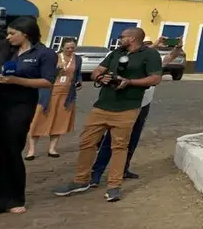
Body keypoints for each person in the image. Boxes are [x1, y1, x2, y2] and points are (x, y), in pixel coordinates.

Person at [53, 26, 163, 202]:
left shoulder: (150, 55)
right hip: (102, 105)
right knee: (87, 142)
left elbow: (156, 78)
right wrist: (100, 77)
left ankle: (114, 186)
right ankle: (81, 180)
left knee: (119, 147)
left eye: (122, 37)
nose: (119, 39)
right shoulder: (116, 52)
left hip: (127, 107)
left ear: (133, 38)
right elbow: (98, 70)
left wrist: (130, 82)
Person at [89, 38, 181, 186]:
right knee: (111, 140)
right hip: (127, 104)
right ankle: (97, 173)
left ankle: (124, 169)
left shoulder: (154, 64)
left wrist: (178, 46)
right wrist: (154, 45)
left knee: (133, 139)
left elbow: (171, 56)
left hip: (143, 105)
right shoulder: (132, 64)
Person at [0, 16, 57, 214]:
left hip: (20, 106)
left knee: (9, 149)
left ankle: (11, 199)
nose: (8, 37)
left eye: (12, 34)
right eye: (7, 33)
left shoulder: (45, 53)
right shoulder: (5, 48)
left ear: (25, 34)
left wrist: (15, 80)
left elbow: (47, 81)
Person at [26, 37, 82, 158]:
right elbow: (43, 73)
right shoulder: (53, 57)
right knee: (39, 120)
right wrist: (56, 69)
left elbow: (77, 74)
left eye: (72, 47)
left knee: (59, 122)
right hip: (49, 93)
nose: (70, 50)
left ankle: (52, 149)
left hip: (66, 94)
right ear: (62, 47)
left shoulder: (77, 59)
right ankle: (31, 150)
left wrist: (78, 82)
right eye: (67, 48)